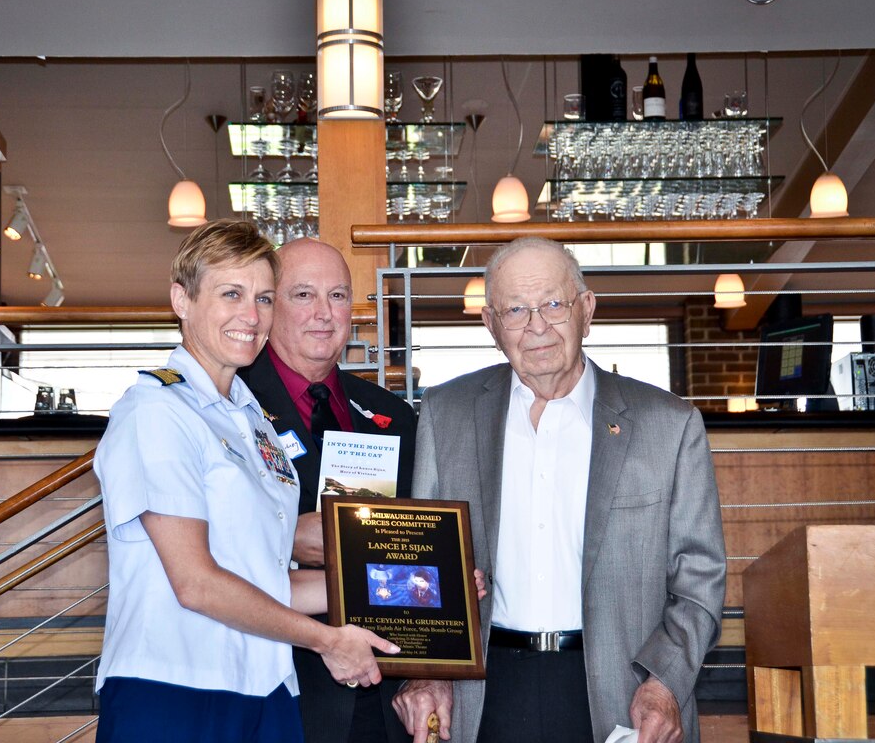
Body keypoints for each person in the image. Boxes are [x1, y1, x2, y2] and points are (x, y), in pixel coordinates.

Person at [393, 237, 726, 743]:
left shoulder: (669, 425)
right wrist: (426, 670)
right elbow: (419, 568)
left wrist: (664, 683)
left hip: (626, 693)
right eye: (516, 311)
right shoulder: (446, 414)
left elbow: (700, 579)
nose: (537, 327)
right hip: (484, 697)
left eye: (553, 304)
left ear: (586, 309)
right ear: (491, 326)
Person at [93, 220, 398, 743]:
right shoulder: (156, 412)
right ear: (181, 300)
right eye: (230, 294)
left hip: (265, 688)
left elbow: (265, 577)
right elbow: (196, 583)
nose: (250, 317)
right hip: (176, 688)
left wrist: (410, 588)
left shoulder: (250, 417)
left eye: (262, 298)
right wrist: (326, 640)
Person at [239, 236, 417, 743]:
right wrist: (285, 536)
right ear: (269, 306)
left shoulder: (392, 416)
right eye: (303, 295)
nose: (324, 313)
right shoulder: (232, 405)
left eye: (338, 296)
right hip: (278, 683)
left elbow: (411, 537)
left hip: (381, 688)